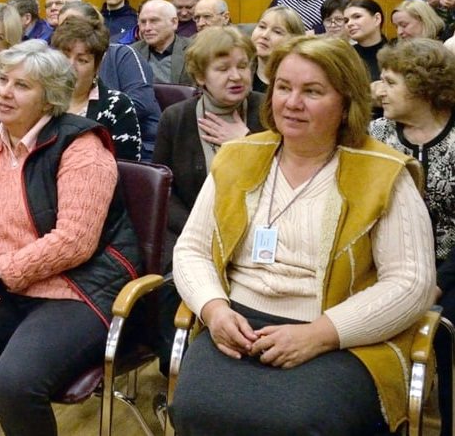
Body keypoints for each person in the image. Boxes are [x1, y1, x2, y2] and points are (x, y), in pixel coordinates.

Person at [170, 35, 436, 436]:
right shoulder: (238, 156)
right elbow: (192, 249)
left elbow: (411, 283)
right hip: (238, 322)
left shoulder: (384, 173)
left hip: (342, 332)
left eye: (312, 91)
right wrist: (213, 309)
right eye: (283, 87)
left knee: (300, 422)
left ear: (346, 102)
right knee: (194, 408)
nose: (292, 103)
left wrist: (320, 335)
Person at [0, 41, 142, 436]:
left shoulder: (82, 146)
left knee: (14, 384)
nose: (5, 92)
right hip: (3, 284)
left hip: (76, 288)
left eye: (22, 86)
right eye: (3, 80)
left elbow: (74, 241)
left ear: (50, 98)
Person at [371, 38, 455, 436]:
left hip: (449, 269)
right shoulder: (375, 134)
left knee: (445, 329)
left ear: (423, 87)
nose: (379, 90)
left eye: (390, 82)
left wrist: (436, 283)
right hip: (389, 268)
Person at [153, 26, 263, 248]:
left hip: (257, 233)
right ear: (200, 76)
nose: (236, 76)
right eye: (223, 69)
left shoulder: (268, 111)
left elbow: (285, 181)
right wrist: (198, 232)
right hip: (192, 236)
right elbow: (165, 190)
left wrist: (245, 142)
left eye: (243, 66)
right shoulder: (176, 118)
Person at [56, 0, 159, 154]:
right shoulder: (44, 100)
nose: (70, 66)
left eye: (82, 60)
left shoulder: (122, 56)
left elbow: (142, 103)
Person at [49, 17, 143, 161]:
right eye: (64, 56)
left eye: (82, 60)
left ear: (97, 66)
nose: (70, 66)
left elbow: (126, 167)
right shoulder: (39, 100)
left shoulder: (117, 106)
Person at [127, 0, 192, 84]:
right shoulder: (131, 53)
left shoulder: (194, 50)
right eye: (143, 22)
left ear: (174, 23)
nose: (147, 28)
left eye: (154, 21)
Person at [249, 6, 306, 95]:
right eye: (262, 27)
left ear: (294, 41)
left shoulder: (301, 81)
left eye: (277, 32)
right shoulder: (240, 72)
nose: (264, 35)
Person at [344, 0, 388, 82]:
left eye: (357, 17)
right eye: (346, 21)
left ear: (377, 19)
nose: (349, 24)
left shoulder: (396, 54)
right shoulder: (345, 56)